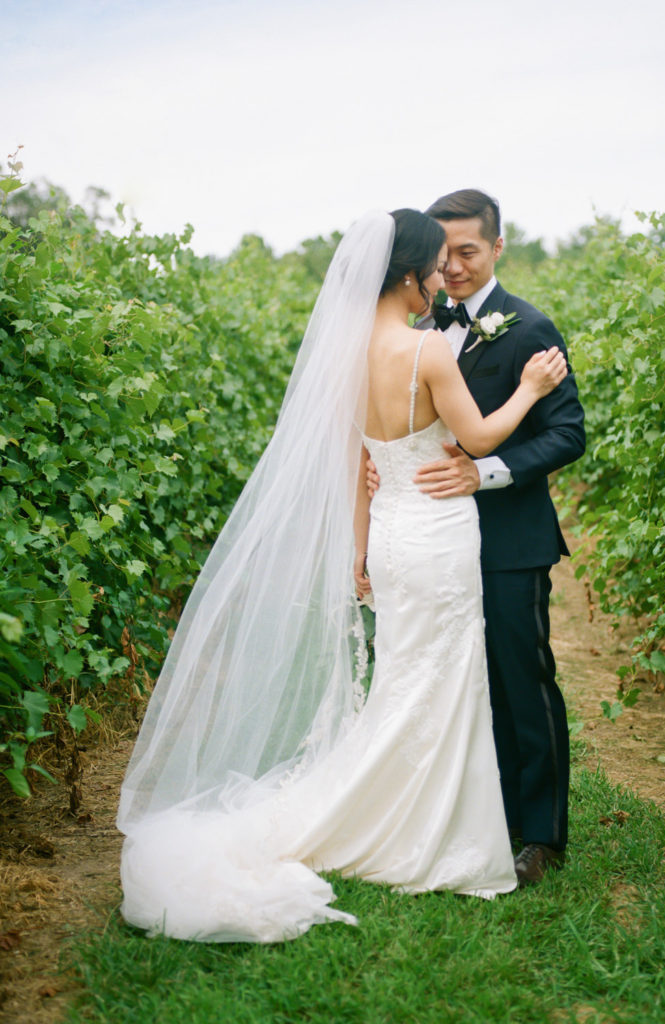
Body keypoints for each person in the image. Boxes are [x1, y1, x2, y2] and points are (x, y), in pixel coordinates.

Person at [117, 209, 567, 944]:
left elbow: (356, 470)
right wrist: (530, 387)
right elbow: (480, 438)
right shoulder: (426, 351)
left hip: (390, 532)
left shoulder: (346, 354)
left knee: (402, 676)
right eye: (432, 271)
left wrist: (357, 552)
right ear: (408, 276)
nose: (439, 283)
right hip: (436, 536)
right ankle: (419, 828)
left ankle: (408, 808)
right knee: (440, 678)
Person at [371, 190, 585, 885]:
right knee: (461, 678)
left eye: (468, 251)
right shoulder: (419, 329)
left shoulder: (529, 329)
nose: (455, 268)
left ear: (497, 247)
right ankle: (474, 811)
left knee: (524, 680)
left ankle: (542, 835)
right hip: (432, 538)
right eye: (444, 255)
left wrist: (484, 473)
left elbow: (566, 433)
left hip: (509, 537)